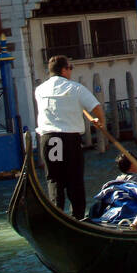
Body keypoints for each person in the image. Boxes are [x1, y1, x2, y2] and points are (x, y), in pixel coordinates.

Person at [35, 55, 104, 219]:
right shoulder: (76, 88)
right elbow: (96, 107)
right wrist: (99, 122)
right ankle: (78, 217)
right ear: (64, 70)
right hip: (69, 141)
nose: (71, 71)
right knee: (74, 179)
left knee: (55, 179)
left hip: (51, 140)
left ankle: (56, 214)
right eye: (70, 67)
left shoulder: (40, 90)